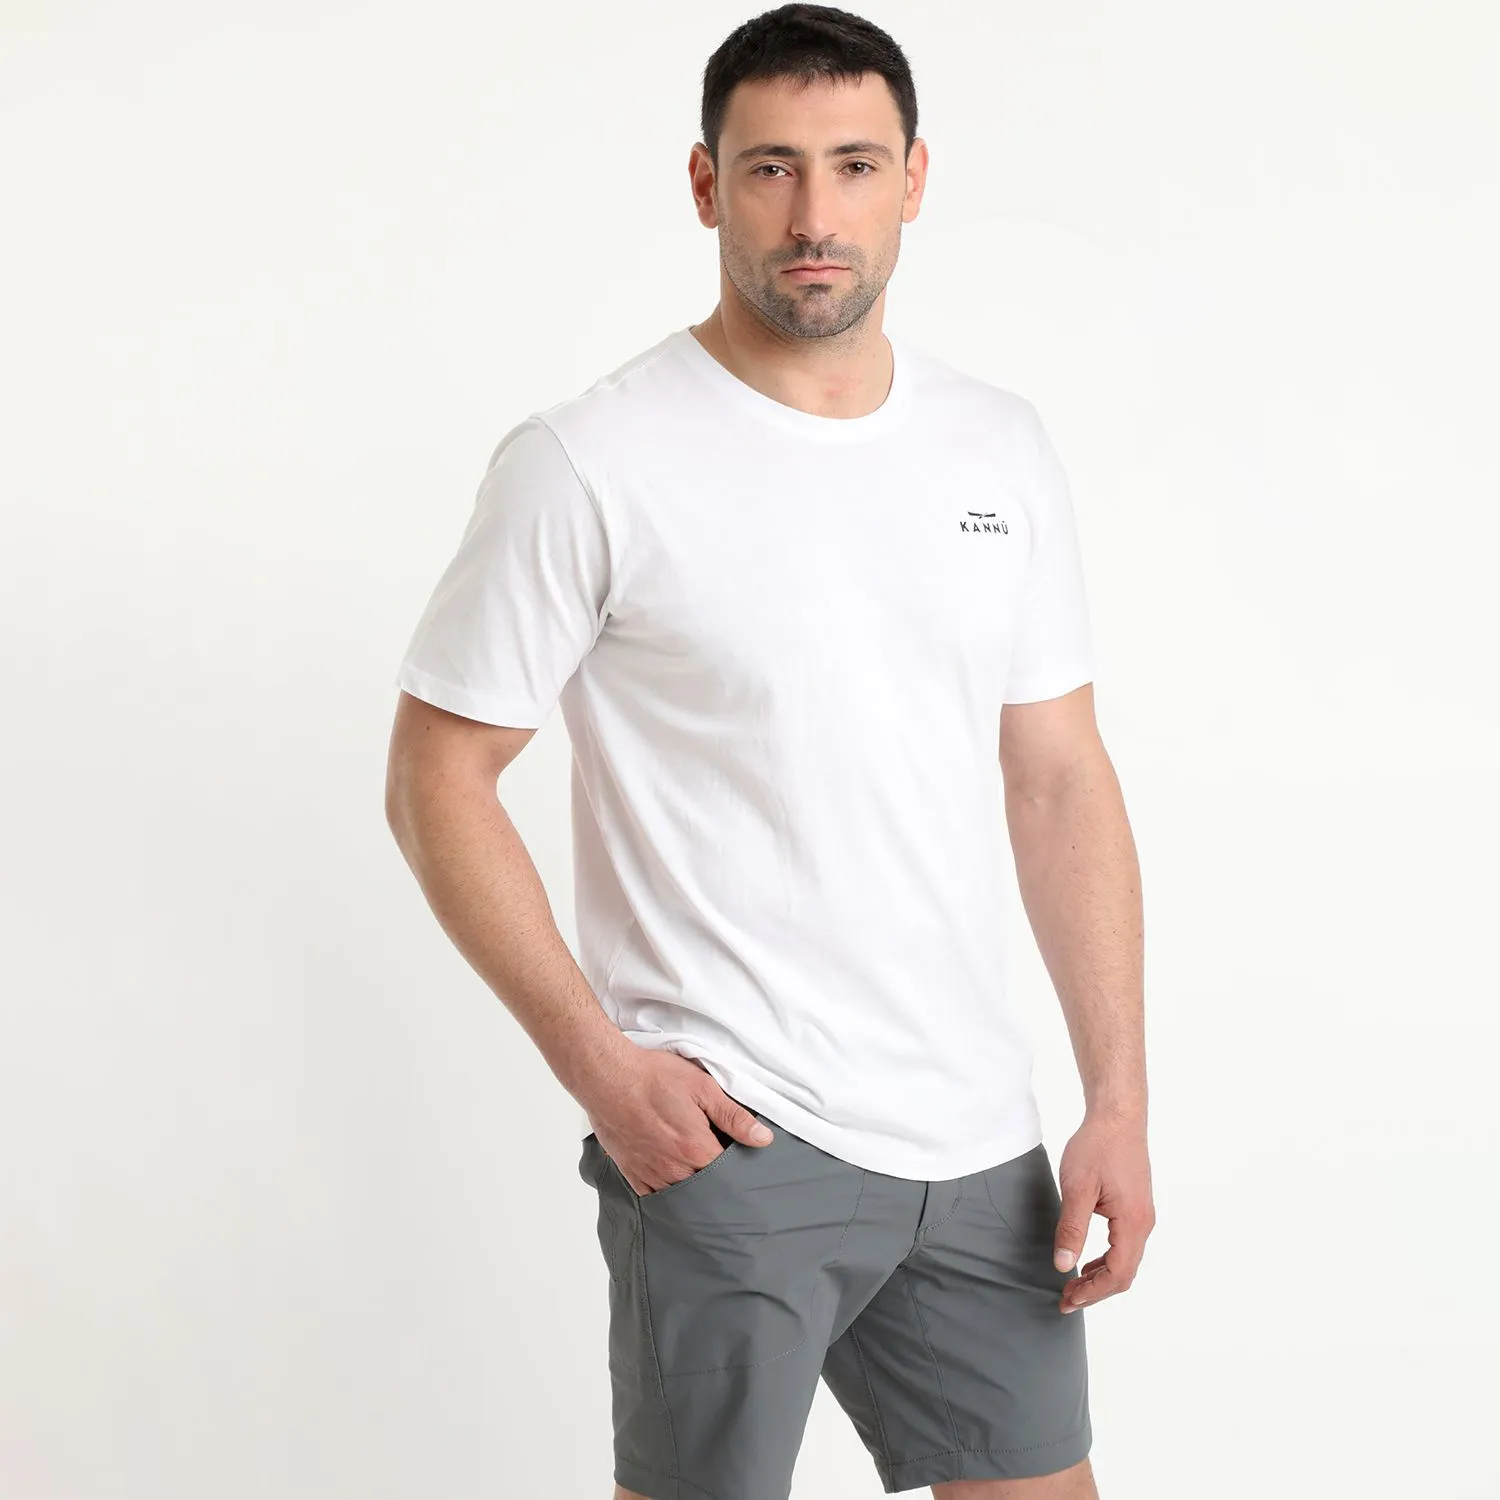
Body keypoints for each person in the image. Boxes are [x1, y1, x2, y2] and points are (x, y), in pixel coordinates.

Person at [385, 5, 1152, 1497]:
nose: (815, 217)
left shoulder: (997, 447)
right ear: (705, 185)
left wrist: (1113, 1097)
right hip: (736, 1140)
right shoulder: (590, 460)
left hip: (980, 1150)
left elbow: (1059, 776)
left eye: (855, 166)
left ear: (914, 179)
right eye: (771, 169)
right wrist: (598, 1067)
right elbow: (435, 778)